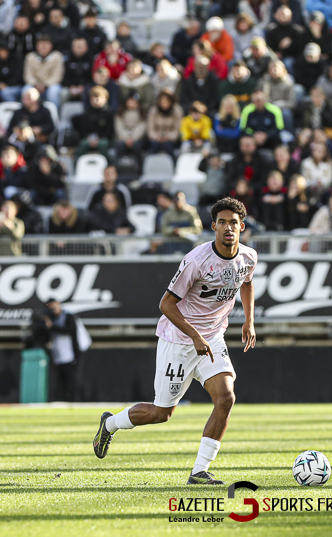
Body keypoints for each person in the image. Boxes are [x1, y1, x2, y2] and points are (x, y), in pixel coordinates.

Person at [94, 197, 257, 485]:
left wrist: (249, 320)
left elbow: (246, 282)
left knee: (226, 398)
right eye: (222, 223)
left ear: (241, 227)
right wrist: (194, 336)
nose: (228, 228)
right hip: (179, 340)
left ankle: (199, 471)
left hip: (213, 337)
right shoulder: (196, 260)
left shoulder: (248, 257)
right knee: (161, 413)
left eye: (233, 222)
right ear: (213, 227)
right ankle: (110, 423)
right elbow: (166, 305)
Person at [28, 299, 88, 401]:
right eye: (50, 307)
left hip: (70, 355)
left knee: (72, 381)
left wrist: (52, 326)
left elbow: (69, 330)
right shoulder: (50, 319)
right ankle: (63, 400)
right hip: (57, 356)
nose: (53, 310)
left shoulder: (68, 316)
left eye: (54, 307)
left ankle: (75, 401)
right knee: (61, 383)